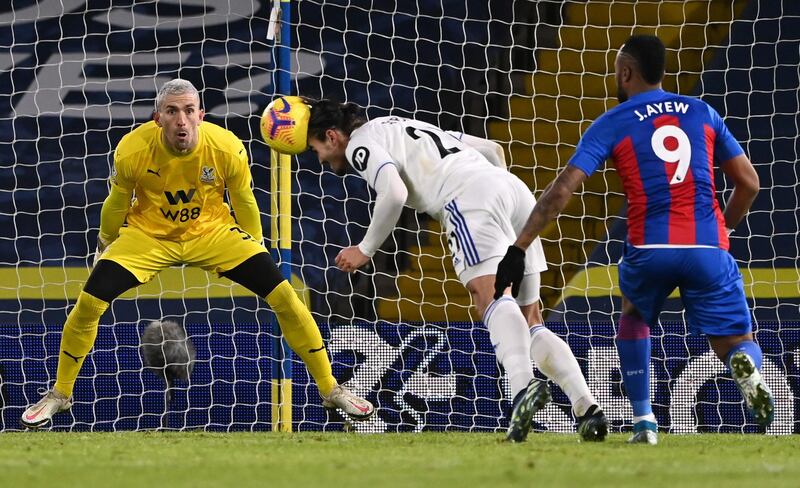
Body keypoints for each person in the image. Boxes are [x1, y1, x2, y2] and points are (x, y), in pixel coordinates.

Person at [21, 79, 374, 428]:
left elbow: (244, 201)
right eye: (172, 111)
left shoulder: (226, 148)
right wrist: (104, 243)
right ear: (157, 118)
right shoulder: (132, 150)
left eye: (189, 110)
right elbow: (116, 203)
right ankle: (60, 394)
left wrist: (254, 244)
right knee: (88, 304)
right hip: (148, 235)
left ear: (201, 115)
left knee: (285, 296)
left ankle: (330, 389)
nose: (181, 120)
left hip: (212, 232)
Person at [494, 35, 774, 445]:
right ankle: (744, 367)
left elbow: (562, 190)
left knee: (634, 319)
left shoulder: (615, 120)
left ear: (626, 71)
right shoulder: (703, 112)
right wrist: (722, 230)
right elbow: (749, 183)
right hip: (707, 246)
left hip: (650, 246)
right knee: (735, 341)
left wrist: (520, 245)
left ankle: (644, 423)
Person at [285, 98, 608, 442]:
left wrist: (365, 250)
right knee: (532, 318)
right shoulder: (399, 123)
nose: (320, 157)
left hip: (467, 197)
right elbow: (493, 149)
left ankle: (521, 389)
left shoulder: (360, 144)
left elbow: (393, 192)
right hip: (512, 190)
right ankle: (585, 406)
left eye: (316, 147)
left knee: (490, 298)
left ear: (332, 136)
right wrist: (498, 193)